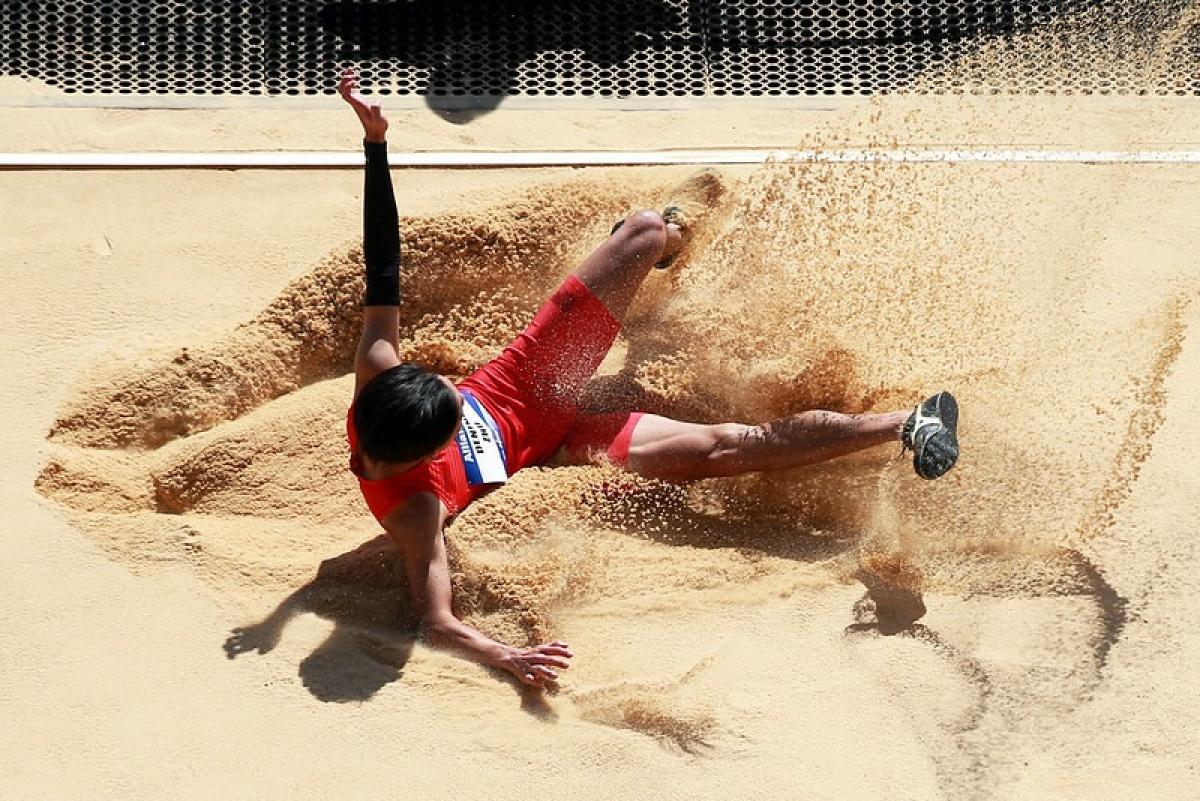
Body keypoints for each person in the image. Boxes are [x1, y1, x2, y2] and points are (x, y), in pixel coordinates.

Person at [337, 69, 959, 689]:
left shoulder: (378, 371)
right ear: (438, 448)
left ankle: (672, 237)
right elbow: (436, 621)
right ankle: (911, 422)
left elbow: (382, 261)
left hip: (527, 378)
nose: (451, 391)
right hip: (558, 445)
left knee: (642, 229)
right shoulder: (414, 513)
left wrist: (375, 145)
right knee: (726, 447)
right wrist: (508, 656)